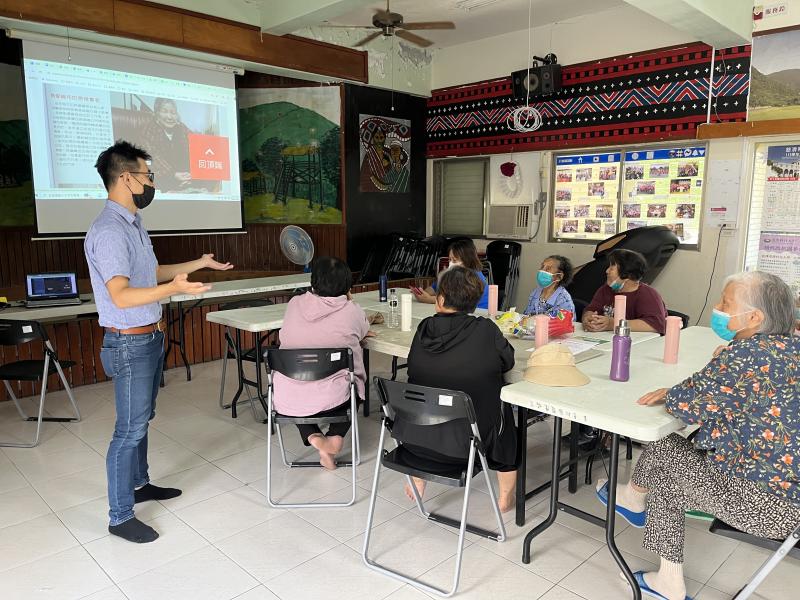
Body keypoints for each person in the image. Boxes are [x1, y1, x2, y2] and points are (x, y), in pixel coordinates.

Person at [596, 271, 800, 600]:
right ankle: (665, 575)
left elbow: (686, 406)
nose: (718, 307)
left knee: (664, 447)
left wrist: (676, 390)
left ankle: (634, 499)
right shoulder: (790, 348)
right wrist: (725, 362)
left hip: (762, 505)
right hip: (790, 501)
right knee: (672, 470)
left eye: (726, 302)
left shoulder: (745, 357)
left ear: (754, 316)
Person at [85, 141, 233, 543]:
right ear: (126, 177)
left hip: (148, 338)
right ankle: (119, 516)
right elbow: (121, 294)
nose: (152, 183)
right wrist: (171, 288)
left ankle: (140, 483)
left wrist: (198, 264)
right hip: (128, 344)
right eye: (148, 176)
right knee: (128, 430)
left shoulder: (133, 224)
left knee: (142, 421)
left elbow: (152, 272)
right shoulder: (110, 230)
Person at [402, 267, 518, 512]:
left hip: (415, 436)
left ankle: (419, 475)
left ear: (440, 300)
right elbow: (507, 362)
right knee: (505, 415)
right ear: (475, 303)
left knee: (435, 394)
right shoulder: (485, 329)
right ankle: (505, 498)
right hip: (468, 443)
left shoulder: (424, 328)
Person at [274, 257, 374, 470]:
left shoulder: (294, 304)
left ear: (313, 283)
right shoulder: (351, 310)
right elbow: (363, 330)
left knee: (299, 389)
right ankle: (335, 438)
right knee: (353, 385)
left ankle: (313, 436)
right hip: (335, 398)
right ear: (348, 286)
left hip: (287, 397)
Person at [582, 248, 667, 334]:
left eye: (612, 267)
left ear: (626, 274)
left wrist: (613, 324)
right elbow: (591, 309)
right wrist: (588, 318)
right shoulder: (605, 289)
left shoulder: (648, 295)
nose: (607, 271)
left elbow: (657, 324)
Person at [415, 239, 489, 310]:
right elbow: (434, 288)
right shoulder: (453, 273)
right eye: (450, 259)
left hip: (477, 314)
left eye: (455, 260)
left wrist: (429, 299)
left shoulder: (475, 277)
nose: (451, 263)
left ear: (467, 259)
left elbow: (456, 300)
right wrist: (423, 293)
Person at [141, 98, 192, 192]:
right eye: (164, 111)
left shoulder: (181, 127)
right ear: (157, 113)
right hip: (163, 175)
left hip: (185, 175)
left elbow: (194, 145)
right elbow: (153, 156)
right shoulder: (148, 130)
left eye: (173, 113)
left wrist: (191, 173)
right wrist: (173, 174)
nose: (169, 117)